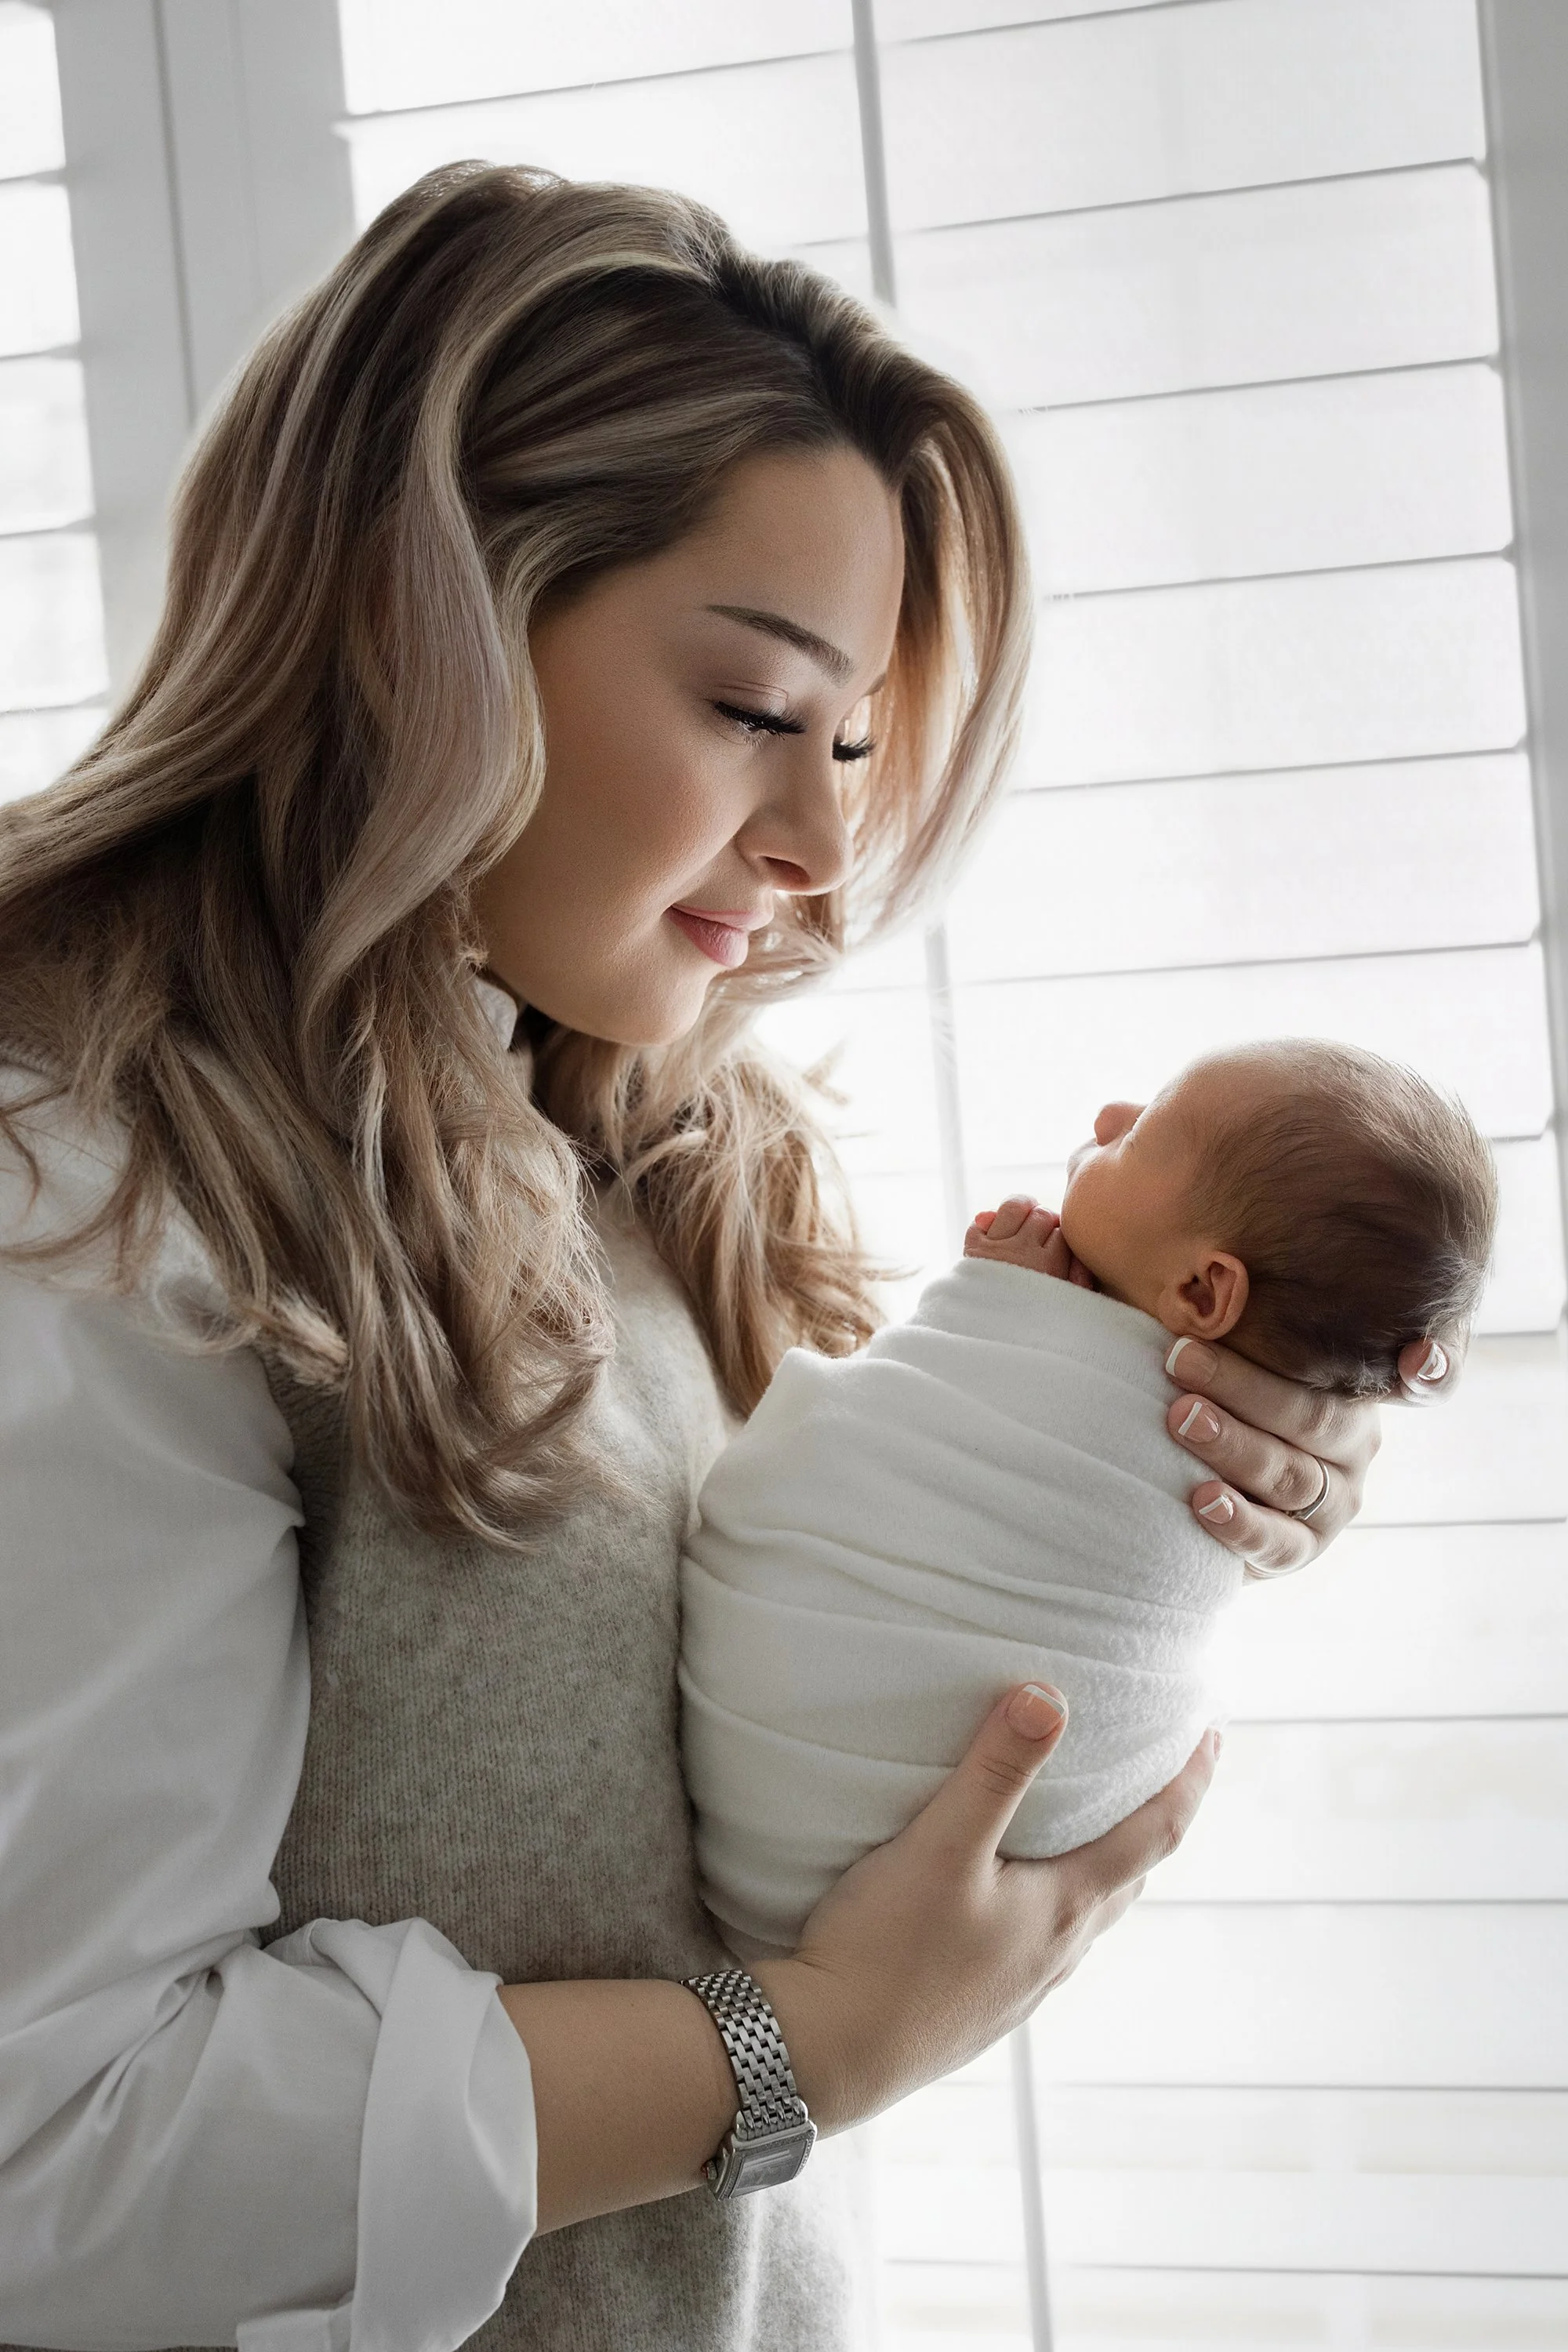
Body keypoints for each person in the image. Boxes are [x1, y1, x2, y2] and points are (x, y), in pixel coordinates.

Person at [0, 164, 1448, 2352]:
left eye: (860, 745)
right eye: (762, 711)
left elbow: (824, 1756)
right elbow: (63, 2153)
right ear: (429, 615)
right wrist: (812, 2048)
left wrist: (1184, 1477)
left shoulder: (628, 1141)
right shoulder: (85, 1178)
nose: (829, 854)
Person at [682, 1040, 1494, 1949]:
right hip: (888, 1914)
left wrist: (996, 1288)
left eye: (1145, 1130)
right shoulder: (1182, 1416)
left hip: (863, 1848)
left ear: (1200, 1287)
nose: (1107, 1118)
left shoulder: (1248, 1458)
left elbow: (957, 1419)